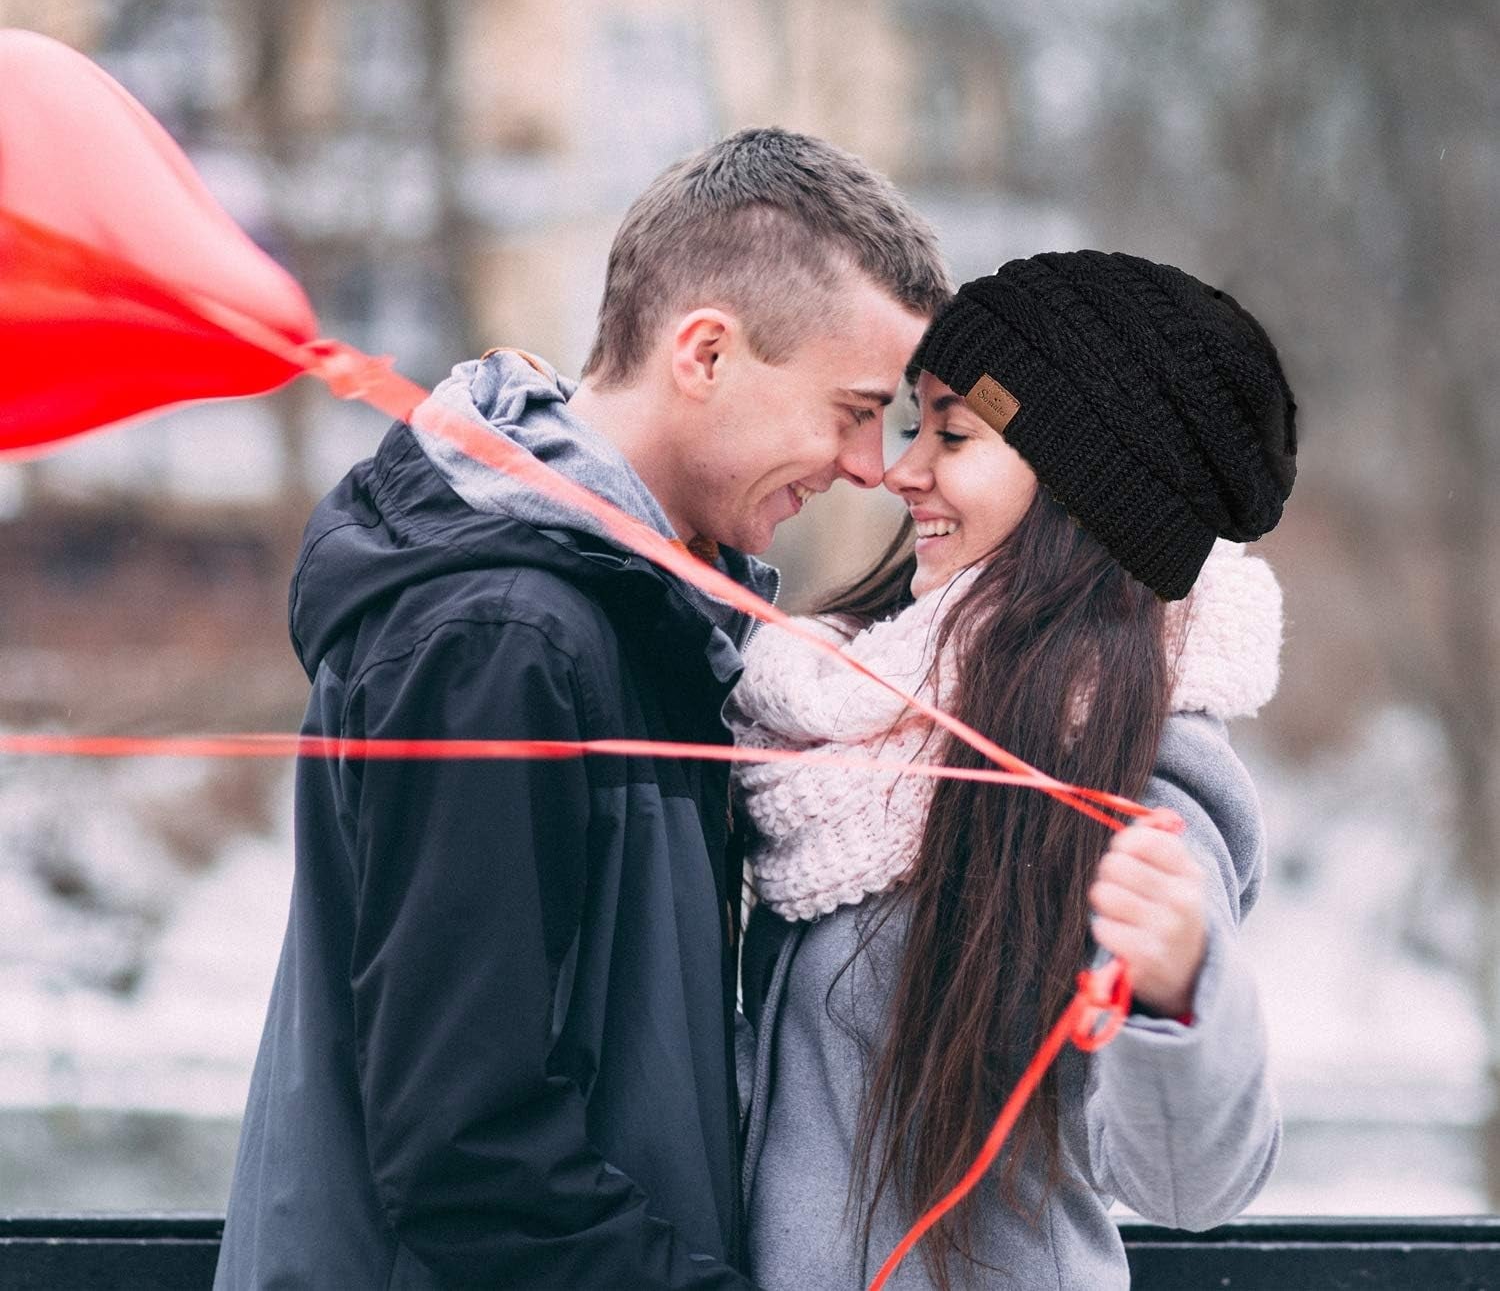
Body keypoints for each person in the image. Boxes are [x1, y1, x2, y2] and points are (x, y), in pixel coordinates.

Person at [214, 128, 951, 1290]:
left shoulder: (637, 618)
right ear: (703, 353)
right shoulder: (503, 642)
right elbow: (468, 1151)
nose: (871, 466)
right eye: (854, 409)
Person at [731, 250, 1297, 1290]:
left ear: (1081, 490)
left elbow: (1196, 1186)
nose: (905, 469)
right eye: (916, 423)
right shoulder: (840, 722)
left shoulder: (1139, 775)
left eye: (955, 434)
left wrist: (1174, 994)